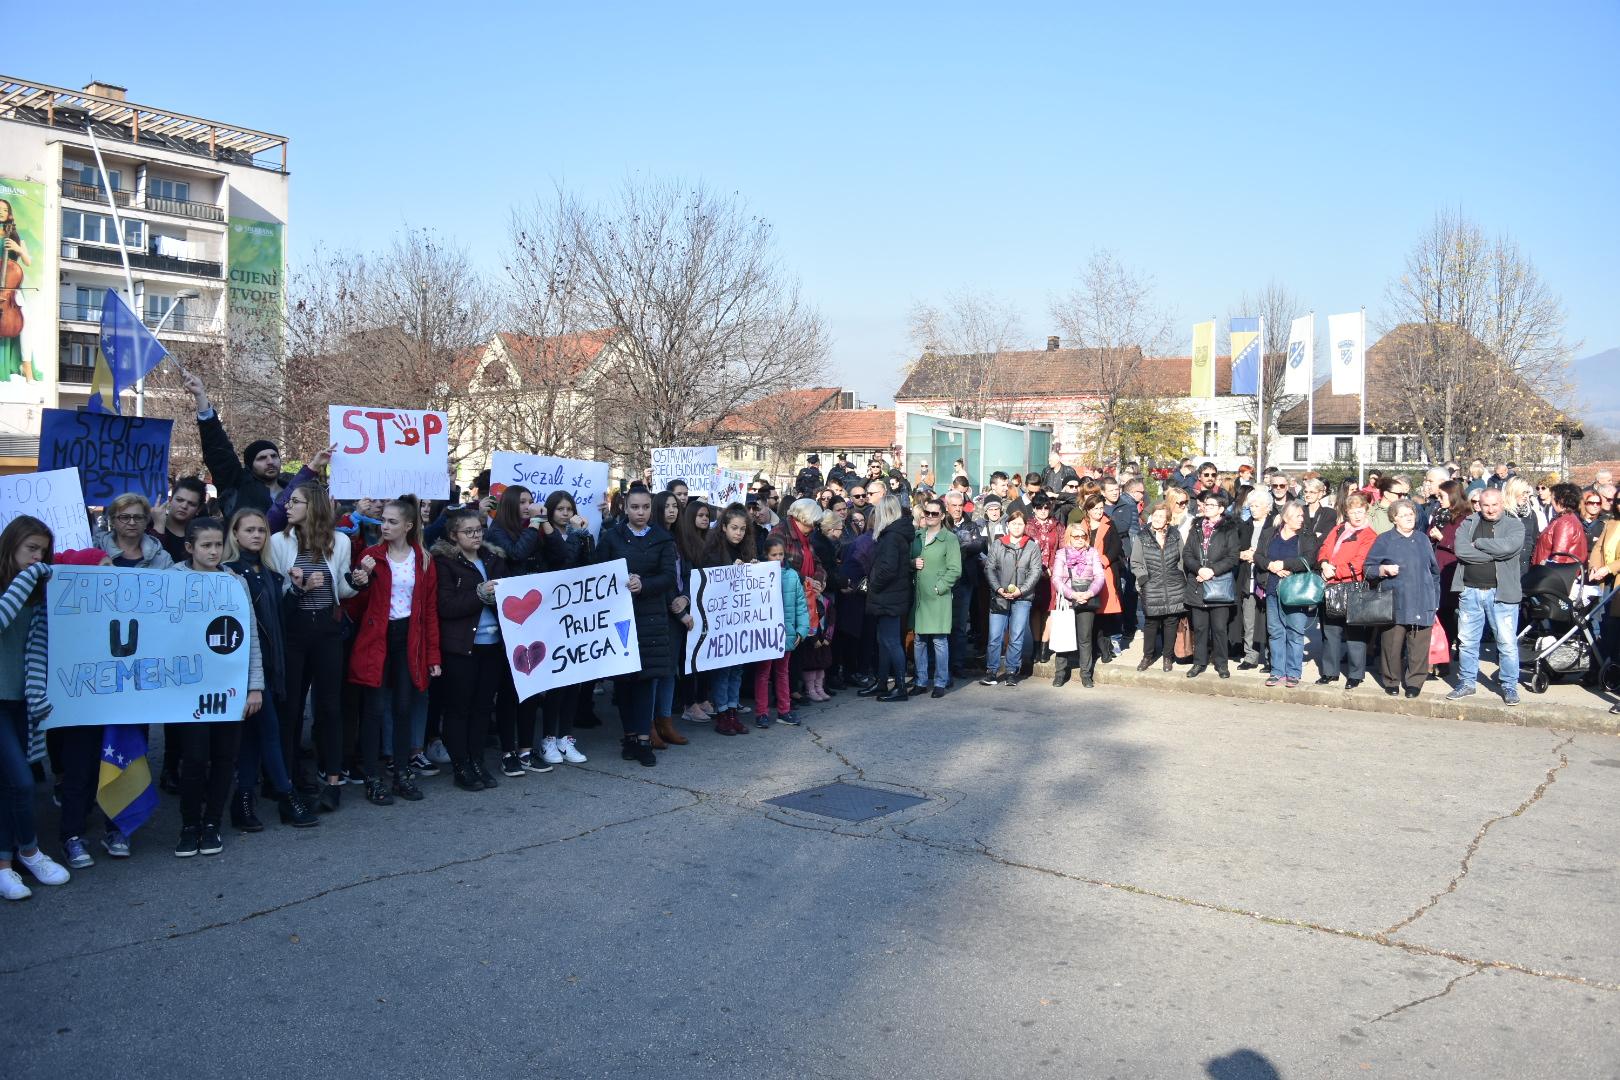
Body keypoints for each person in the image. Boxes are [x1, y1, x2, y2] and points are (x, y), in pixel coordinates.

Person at [171, 517, 265, 856]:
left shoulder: (234, 582)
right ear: (190, 548)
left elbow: (250, 635)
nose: (213, 551)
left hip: (229, 688)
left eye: (217, 545)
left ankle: (212, 823)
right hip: (189, 690)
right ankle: (189, 824)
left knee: (225, 757)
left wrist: (254, 687)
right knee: (195, 759)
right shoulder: (170, 580)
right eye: (206, 545)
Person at [224, 509, 319, 831]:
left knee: (254, 738)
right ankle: (286, 795)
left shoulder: (268, 573)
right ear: (234, 534)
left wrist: (295, 591)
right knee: (270, 733)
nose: (256, 535)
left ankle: (244, 801)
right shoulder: (229, 574)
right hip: (247, 669)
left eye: (261, 530)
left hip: (272, 666)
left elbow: (279, 620)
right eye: (248, 530)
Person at [266, 481, 356, 811]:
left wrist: (359, 581)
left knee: (331, 707)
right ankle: (288, 782)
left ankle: (333, 781)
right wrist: (299, 588)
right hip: (293, 632)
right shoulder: (279, 542)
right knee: (290, 709)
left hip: (328, 631)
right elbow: (276, 597)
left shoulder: (341, 541)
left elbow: (342, 591)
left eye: (295, 502)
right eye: (288, 501)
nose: (287, 506)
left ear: (313, 506)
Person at [348, 496, 442, 804]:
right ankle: (374, 777)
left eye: (392, 521)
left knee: (403, 707)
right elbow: (356, 606)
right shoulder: (370, 555)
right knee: (374, 710)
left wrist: (433, 656)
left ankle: (402, 772)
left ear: (408, 525)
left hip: (409, 638)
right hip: (377, 637)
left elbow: (428, 611)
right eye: (383, 520)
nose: (384, 526)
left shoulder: (423, 559)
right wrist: (360, 581)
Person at [0, 519, 71, 899]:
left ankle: (5, 863)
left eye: (43, 551)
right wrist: (24, 583)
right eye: (30, 548)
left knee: (10, 783)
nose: (37, 558)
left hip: (20, 701)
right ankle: (27, 851)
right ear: (10, 546)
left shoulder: (36, 593)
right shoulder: (18, 587)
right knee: (21, 782)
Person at [432, 506, 512, 790]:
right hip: (462, 647)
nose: (476, 535)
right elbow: (445, 606)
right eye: (469, 531)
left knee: (482, 707)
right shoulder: (444, 563)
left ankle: (477, 760)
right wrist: (479, 594)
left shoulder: (493, 557)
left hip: (492, 645)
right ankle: (461, 765)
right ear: (454, 535)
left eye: (478, 529)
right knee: (459, 708)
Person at [595, 488, 678, 764]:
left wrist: (644, 584)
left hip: (651, 618)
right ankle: (630, 737)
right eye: (635, 507)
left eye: (645, 507)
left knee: (645, 680)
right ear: (625, 508)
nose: (640, 512)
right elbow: (597, 570)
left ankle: (644, 740)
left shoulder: (663, 539)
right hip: (618, 615)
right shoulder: (612, 538)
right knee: (624, 681)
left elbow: (668, 577)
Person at [183, 370, 295, 518]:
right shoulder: (237, 485)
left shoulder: (295, 490)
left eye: (274, 456)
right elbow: (218, 451)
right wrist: (200, 396)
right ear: (249, 465)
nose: (270, 461)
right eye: (261, 458)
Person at [1449, 486, 1525, 706]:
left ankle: (1510, 685)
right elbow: (1461, 551)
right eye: (1486, 505)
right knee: (1467, 642)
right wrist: (1495, 554)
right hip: (1469, 590)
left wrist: (1480, 544)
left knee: (1507, 643)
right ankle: (1466, 682)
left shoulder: (1514, 525)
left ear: (1502, 504)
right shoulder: (1468, 523)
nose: (1490, 510)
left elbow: (1511, 547)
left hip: (1502, 593)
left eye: (1494, 505)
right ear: (1478, 505)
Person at [1366, 499, 1441, 699]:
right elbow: (1368, 569)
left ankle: (1415, 682)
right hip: (1394, 600)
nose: (1409, 518)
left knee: (1419, 646)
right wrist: (1382, 569)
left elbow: (1434, 572)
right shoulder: (1384, 539)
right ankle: (1391, 680)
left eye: (1412, 514)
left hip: (1422, 599)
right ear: (1394, 519)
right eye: (1404, 515)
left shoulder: (1423, 539)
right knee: (1391, 644)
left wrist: (1435, 600)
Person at [700, 505, 756, 734]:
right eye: (734, 528)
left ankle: (733, 710)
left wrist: (754, 569)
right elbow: (709, 582)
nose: (738, 533)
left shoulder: (746, 549)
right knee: (723, 670)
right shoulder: (712, 551)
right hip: (721, 621)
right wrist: (729, 570)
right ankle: (722, 712)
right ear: (723, 527)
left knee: (737, 669)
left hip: (740, 620)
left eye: (742, 529)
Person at [1317, 495, 1379, 689]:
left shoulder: (1370, 535)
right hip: (1331, 583)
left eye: (1360, 511)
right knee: (1331, 630)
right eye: (1352, 512)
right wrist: (1324, 563)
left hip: (1353, 586)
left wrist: (1334, 571)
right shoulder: (1338, 528)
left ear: (1366, 511)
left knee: (1354, 632)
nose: (1356, 516)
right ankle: (1330, 671)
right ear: (1346, 513)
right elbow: (1325, 548)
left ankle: (1355, 674)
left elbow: (1360, 563)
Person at [1256, 502, 1319, 688]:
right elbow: (1259, 556)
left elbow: (1309, 560)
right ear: (1285, 518)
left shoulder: (1307, 536)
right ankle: (1277, 671)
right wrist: (1270, 565)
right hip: (1272, 588)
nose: (1302, 519)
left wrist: (1285, 565)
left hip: (1295, 591)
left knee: (1295, 632)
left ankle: (1293, 672)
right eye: (1298, 516)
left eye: (1302, 516)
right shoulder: (1269, 533)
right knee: (1275, 632)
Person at [860, 494, 915, 703]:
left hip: (888, 595)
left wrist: (872, 584)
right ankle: (882, 682)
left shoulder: (891, 536)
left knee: (890, 641)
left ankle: (900, 687)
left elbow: (888, 569)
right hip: (891, 594)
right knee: (883, 640)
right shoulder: (896, 534)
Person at [1182, 489, 1240, 679]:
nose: (1207, 508)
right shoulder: (1196, 526)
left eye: (1211, 505)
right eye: (1206, 505)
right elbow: (1187, 554)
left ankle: (1221, 664)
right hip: (1197, 583)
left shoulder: (1229, 529)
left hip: (1218, 584)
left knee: (1219, 628)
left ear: (1221, 509)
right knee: (1199, 628)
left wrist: (1212, 570)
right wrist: (1199, 569)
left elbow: (1232, 557)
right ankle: (1199, 662)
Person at [981, 509, 1042, 686]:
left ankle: (1011, 671)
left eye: (1020, 524)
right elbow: (989, 569)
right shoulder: (998, 545)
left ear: (1025, 526)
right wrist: (998, 588)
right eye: (1013, 523)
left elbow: (1035, 571)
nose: (1016, 526)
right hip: (999, 596)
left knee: (1016, 635)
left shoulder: (1032, 546)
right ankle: (991, 671)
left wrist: (1021, 590)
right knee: (995, 636)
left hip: (1022, 597)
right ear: (1007, 525)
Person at [754, 535, 810, 727]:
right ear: (766, 556)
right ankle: (761, 712)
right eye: (773, 555)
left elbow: (801, 605)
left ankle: (784, 710)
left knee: (782, 672)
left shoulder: (792, 576)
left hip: (786, 633)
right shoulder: (758, 575)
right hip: (766, 635)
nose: (778, 559)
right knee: (763, 673)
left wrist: (802, 630)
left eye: (780, 555)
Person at [909, 496, 961, 697]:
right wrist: (912, 563)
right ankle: (921, 681)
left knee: (939, 640)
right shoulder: (917, 536)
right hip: (920, 597)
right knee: (919, 639)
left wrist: (940, 588)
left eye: (934, 513)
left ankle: (940, 681)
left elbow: (955, 569)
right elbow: (906, 559)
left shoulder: (950, 538)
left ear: (942, 515)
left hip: (938, 596)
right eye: (927, 513)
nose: (930, 516)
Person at [1130, 502, 1184, 672]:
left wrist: (1180, 577)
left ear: (1168, 519)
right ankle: (1147, 656)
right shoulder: (1142, 536)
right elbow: (1136, 562)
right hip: (1151, 585)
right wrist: (1144, 580)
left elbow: (1182, 559)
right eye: (1155, 515)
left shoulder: (1175, 535)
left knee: (1171, 622)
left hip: (1173, 585)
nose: (1158, 519)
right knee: (1151, 623)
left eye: (1162, 516)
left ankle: (1167, 657)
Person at [1050, 519, 1105, 688]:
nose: (1080, 539)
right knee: (1063, 637)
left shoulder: (1093, 552)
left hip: (1087, 598)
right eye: (1076, 536)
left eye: (1083, 536)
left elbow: (1099, 577)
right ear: (1069, 538)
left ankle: (1086, 674)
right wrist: (1073, 594)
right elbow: (1056, 579)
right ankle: (1060, 673)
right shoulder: (1061, 553)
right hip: (1067, 599)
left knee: (1085, 638)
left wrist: (1089, 593)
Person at [942, 490, 986, 676]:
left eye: (960, 505)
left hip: (965, 580)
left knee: (960, 625)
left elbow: (979, 545)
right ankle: (941, 665)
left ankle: (957, 665)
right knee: (942, 625)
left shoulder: (971, 524)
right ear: (947, 506)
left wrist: (962, 546)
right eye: (954, 506)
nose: (958, 509)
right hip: (943, 579)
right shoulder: (941, 523)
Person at [96, 494, 174, 569]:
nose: (132, 523)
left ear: (146, 521)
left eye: (138, 517)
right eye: (125, 517)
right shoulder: (94, 548)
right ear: (113, 521)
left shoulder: (163, 559)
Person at [148, 477, 207, 564]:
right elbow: (149, 562)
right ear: (170, 500)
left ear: (198, 509)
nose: (184, 506)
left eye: (191, 504)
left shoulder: (201, 536)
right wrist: (158, 527)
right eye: (179, 500)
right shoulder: (149, 525)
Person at [1532, 483, 1589, 567]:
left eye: (1553, 497)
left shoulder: (1565, 522)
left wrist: (1550, 574)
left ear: (1561, 500)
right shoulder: (1565, 518)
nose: (1551, 500)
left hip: (1555, 574)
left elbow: (1559, 555)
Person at [1502, 476, 1541, 575]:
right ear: (1513, 492)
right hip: (1506, 568)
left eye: (1527, 493)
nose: (1525, 496)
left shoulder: (1531, 514)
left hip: (1526, 567)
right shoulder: (1502, 514)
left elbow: (1534, 538)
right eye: (1522, 493)